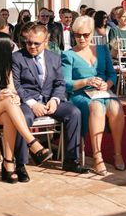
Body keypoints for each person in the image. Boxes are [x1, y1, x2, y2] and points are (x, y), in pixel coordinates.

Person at [0, 33, 52, 183]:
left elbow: (12, 89)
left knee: (9, 117)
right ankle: (32, 142)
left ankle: (8, 163)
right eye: (9, 48)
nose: (13, 50)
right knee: (7, 101)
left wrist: (15, 96)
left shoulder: (6, 66)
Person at [12, 24, 89, 175]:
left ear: (46, 41)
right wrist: (33, 104)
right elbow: (17, 85)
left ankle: (71, 161)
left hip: (49, 101)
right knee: (24, 117)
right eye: (28, 42)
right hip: (28, 101)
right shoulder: (17, 57)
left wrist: (55, 99)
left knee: (74, 113)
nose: (32, 46)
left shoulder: (54, 57)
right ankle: (21, 163)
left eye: (36, 43)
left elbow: (60, 83)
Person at [61, 16, 125, 176]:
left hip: (102, 92)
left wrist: (107, 84)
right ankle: (97, 157)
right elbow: (66, 83)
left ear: (91, 33)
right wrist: (86, 81)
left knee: (115, 106)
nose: (81, 38)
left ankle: (118, 153)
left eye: (86, 34)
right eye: (77, 35)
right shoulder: (68, 55)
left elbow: (112, 74)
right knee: (97, 107)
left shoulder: (102, 50)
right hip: (80, 95)